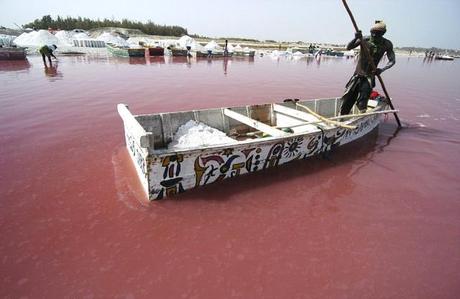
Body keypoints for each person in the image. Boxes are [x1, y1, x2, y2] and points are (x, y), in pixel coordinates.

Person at [339, 20, 395, 115]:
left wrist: (382, 69)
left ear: (383, 33)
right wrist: (355, 38)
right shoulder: (364, 39)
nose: (373, 35)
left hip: (369, 77)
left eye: (377, 33)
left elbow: (392, 61)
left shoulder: (387, 44)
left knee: (362, 103)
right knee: (348, 100)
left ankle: (361, 117)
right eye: (372, 32)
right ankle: (342, 118)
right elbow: (348, 47)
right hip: (357, 75)